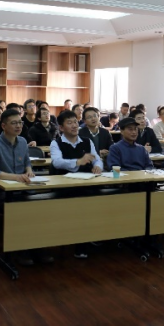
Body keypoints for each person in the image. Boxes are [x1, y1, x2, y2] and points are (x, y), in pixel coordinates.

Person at [0, 109, 52, 266]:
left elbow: (27, 161)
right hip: (2, 193)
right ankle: (21, 249)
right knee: (22, 209)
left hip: (24, 189)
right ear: (3, 126)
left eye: (20, 122)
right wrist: (16, 177)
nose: (18, 126)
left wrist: (28, 170)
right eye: (14, 123)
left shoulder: (22, 141)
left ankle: (38, 246)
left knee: (41, 207)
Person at [50, 109, 104, 259]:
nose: (74, 126)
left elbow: (97, 158)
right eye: (69, 123)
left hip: (87, 183)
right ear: (61, 127)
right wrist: (78, 162)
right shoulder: (56, 143)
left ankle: (92, 236)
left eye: (75, 122)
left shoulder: (87, 141)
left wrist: (98, 166)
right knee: (80, 204)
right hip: (65, 185)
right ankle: (80, 242)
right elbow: (57, 162)